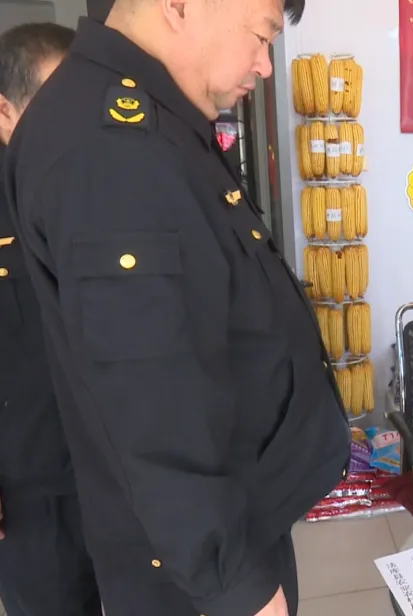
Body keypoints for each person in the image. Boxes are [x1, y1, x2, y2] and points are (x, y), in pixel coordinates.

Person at [3, 2, 351, 615]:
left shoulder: (156, 119)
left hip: (230, 518)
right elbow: (149, 403)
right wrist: (235, 585)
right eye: (261, 35)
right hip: (194, 566)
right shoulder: (110, 146)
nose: (264, 65)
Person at [0, 22, 102, 616]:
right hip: (31, 493)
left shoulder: (102, 187)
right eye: (53, 101)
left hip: (116, 472)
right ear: (5, 111)